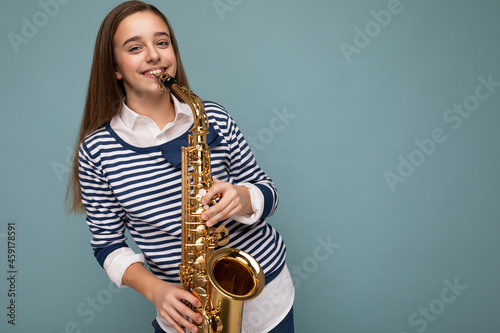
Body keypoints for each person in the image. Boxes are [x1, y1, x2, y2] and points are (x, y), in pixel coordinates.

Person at [67, 1, 294, 332]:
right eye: (135, 47)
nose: (154, 55)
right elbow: (108, 245)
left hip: (265, 291)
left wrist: (243, 198)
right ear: (114, 68)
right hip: (185, 311)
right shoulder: (97, 150)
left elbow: (267, 190)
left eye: (162, 42)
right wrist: (157, 291)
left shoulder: (212, 115)